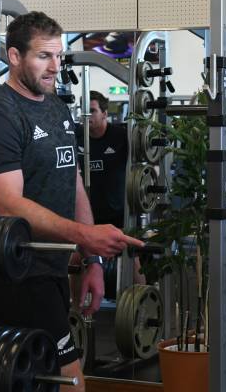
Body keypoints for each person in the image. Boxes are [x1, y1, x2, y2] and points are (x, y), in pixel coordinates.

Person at [0, 11, 143, 392]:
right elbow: (9, 205)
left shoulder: (56, 107)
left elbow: (74, 183)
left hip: (53, 270)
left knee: (33, 379)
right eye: (44, 56)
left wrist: (91, 258)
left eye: (58, 56)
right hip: (17, 274)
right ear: (14, 57)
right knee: (70, 379)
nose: (54, 66)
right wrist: (85, 234)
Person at [76, 91, 145, 297]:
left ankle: (144, 305)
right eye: (84, 112)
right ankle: (76, 315)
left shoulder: (121, 137)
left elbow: (144, 158)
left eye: (92, 111)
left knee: (131, 259)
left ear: (105, 113)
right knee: (75, 261)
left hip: (117, 215)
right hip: (87, 217)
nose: (87, 116)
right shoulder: (75, 135)